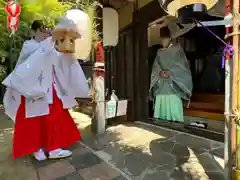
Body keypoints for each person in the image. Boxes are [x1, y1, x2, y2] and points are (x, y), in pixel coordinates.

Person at [2, 15, 90, 160]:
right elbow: (35, 59)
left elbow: (59, 60)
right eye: (43, 31)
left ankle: (54, 147)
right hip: (33, 90)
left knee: (54, 117)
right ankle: (36, 149)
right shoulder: (29, 46)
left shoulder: (49, 46)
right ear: (33, 32)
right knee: (33, 121)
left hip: (50, 89)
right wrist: (51, 41)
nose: (46, 34)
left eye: (48, 31)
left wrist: (66, 50)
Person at [149, 26, 192, 122]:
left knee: (175, 117)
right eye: (161, 39)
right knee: (160, 117)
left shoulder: (178, 51)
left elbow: (182, 67)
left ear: (169, 38)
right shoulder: (159, 53)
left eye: (164, 39)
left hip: (173, 88)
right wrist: (159, 72)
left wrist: (170, 73)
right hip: (160, 88)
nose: (162, 41)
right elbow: (155, 67)